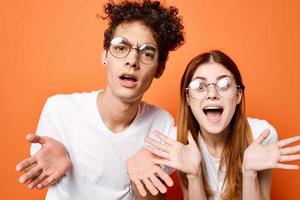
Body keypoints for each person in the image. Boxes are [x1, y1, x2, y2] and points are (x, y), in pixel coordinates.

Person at [15, 0, 184, 199]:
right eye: (121, 48)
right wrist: (50, 167)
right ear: (104, 56)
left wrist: (143, 173)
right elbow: (38, 168)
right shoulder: (59, 110)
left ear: (160, 68)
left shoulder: (161, 125)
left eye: (147, 53)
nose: (132, 61)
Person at [144, 50, 300, 200]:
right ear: (188, 99)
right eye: (199, 86)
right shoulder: (179, 140)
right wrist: (194, 175)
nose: (212, 94)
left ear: (238, 95)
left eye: (224, 84)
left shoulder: (260, 135)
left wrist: (249, 173)